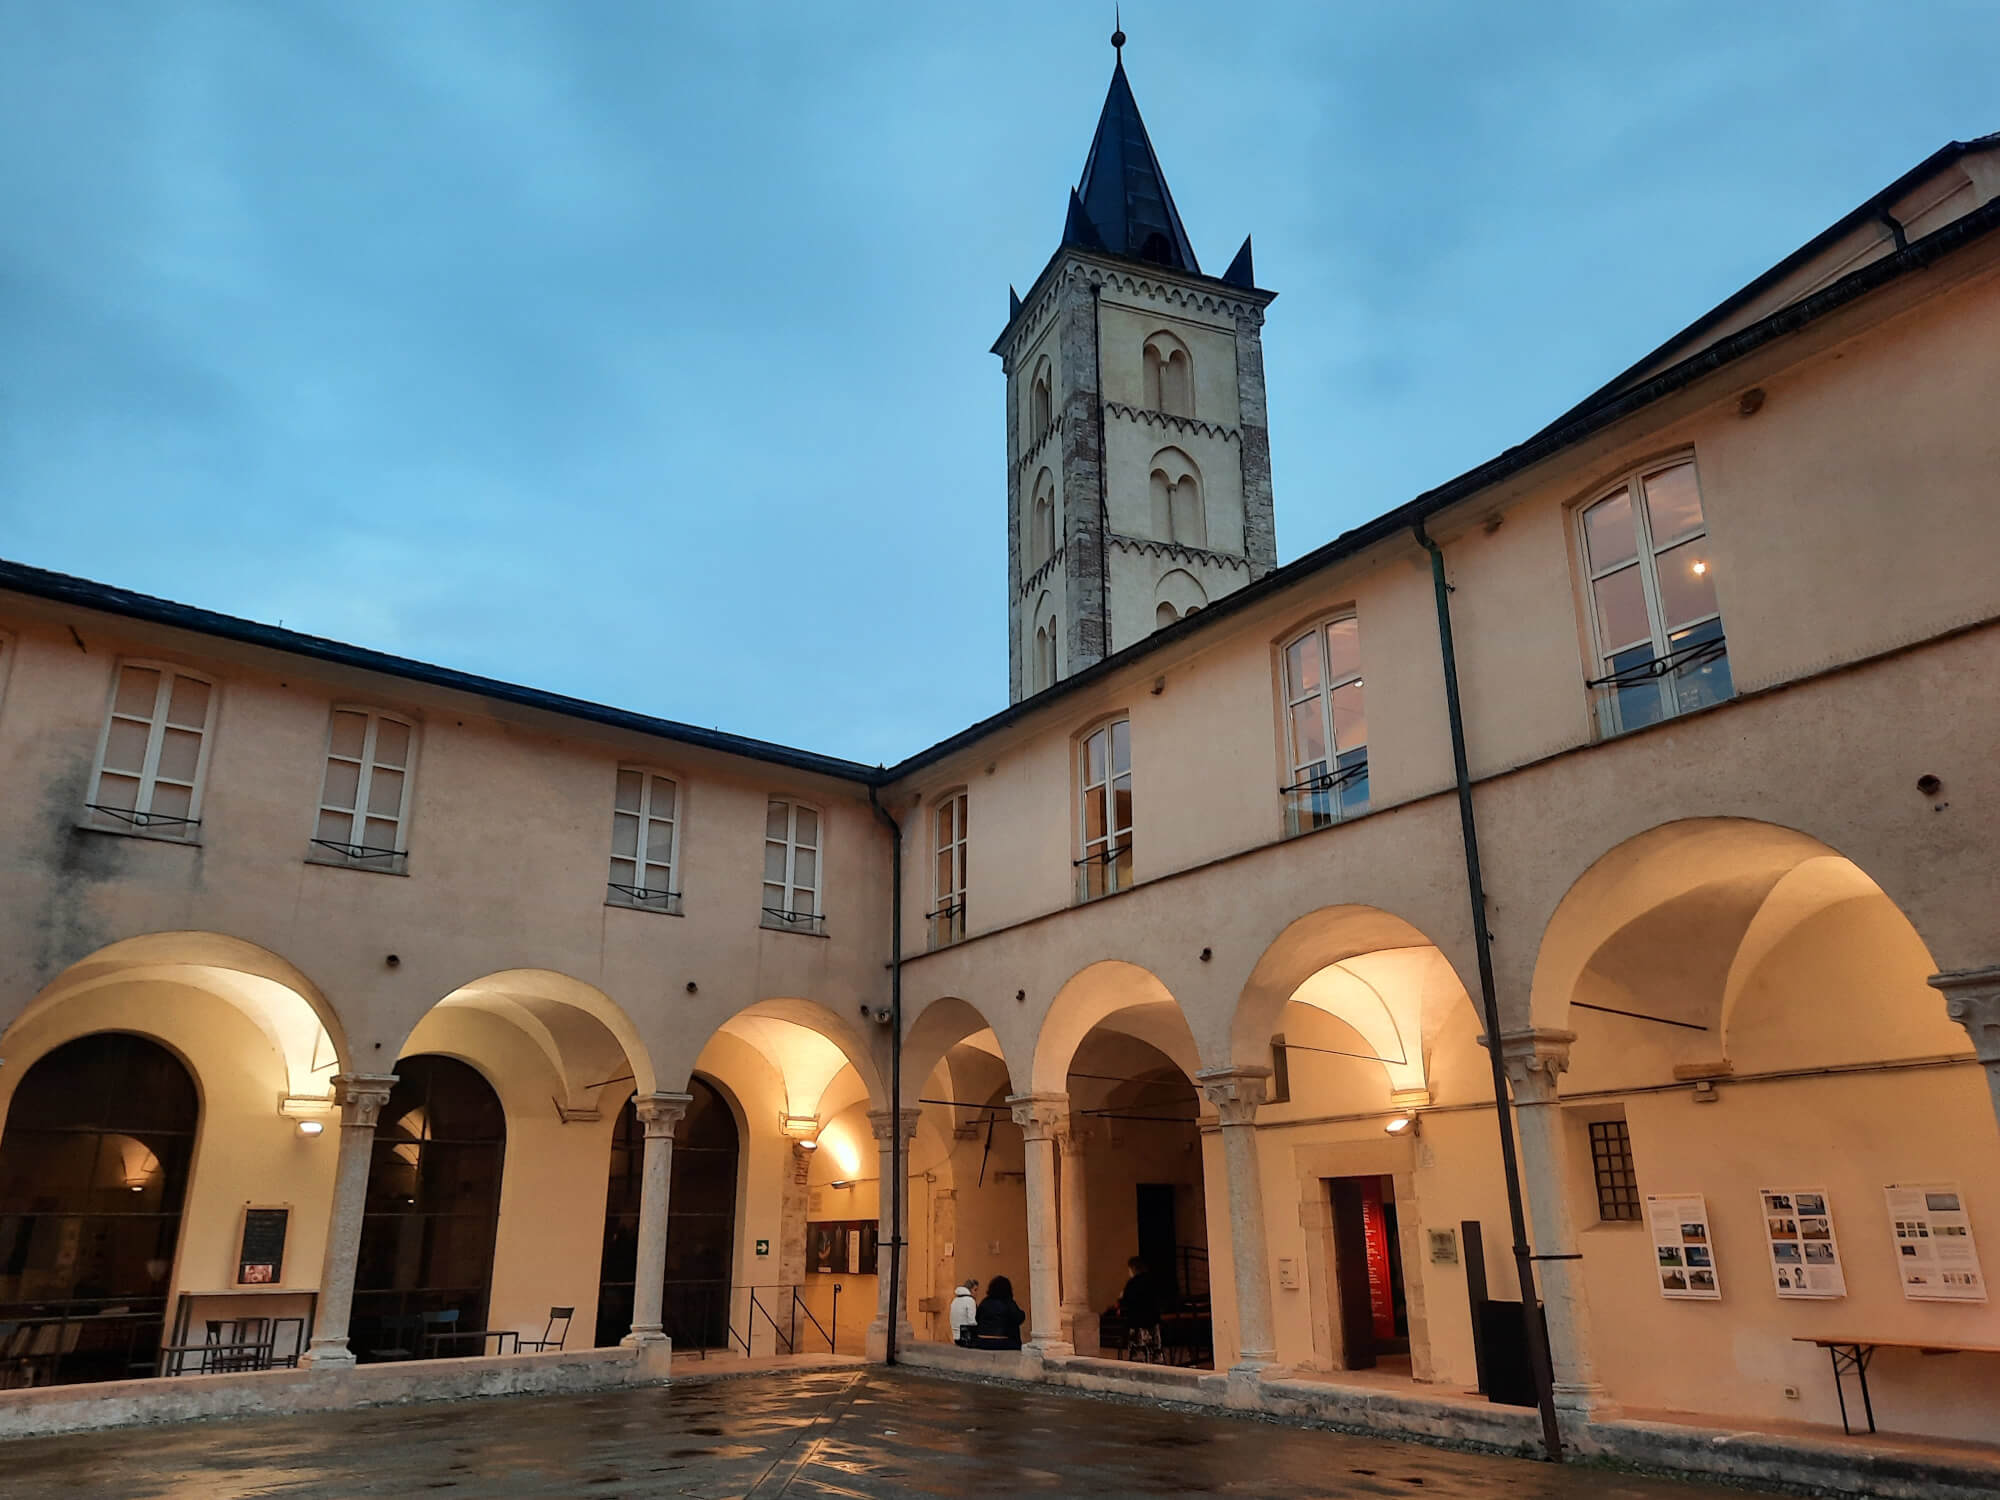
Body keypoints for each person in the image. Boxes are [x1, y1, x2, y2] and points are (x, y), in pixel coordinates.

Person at [1118, 1256, 1162, 1362]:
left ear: (1132, 1269)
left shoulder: (1132, 1283)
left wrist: (1121, 1298)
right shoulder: (1152, 1280)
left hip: (1136, 1321)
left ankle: (1137, 1355)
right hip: (1153, 1320)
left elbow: (1125, 1303)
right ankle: (1155, 1356)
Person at [973, 1274, 1026, 1350]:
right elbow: (1018, 1318)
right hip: (1003, 1342)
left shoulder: (985, 1302)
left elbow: (977, 1318)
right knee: (1013, 1326)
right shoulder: (1008, 1302)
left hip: (982, 1341)